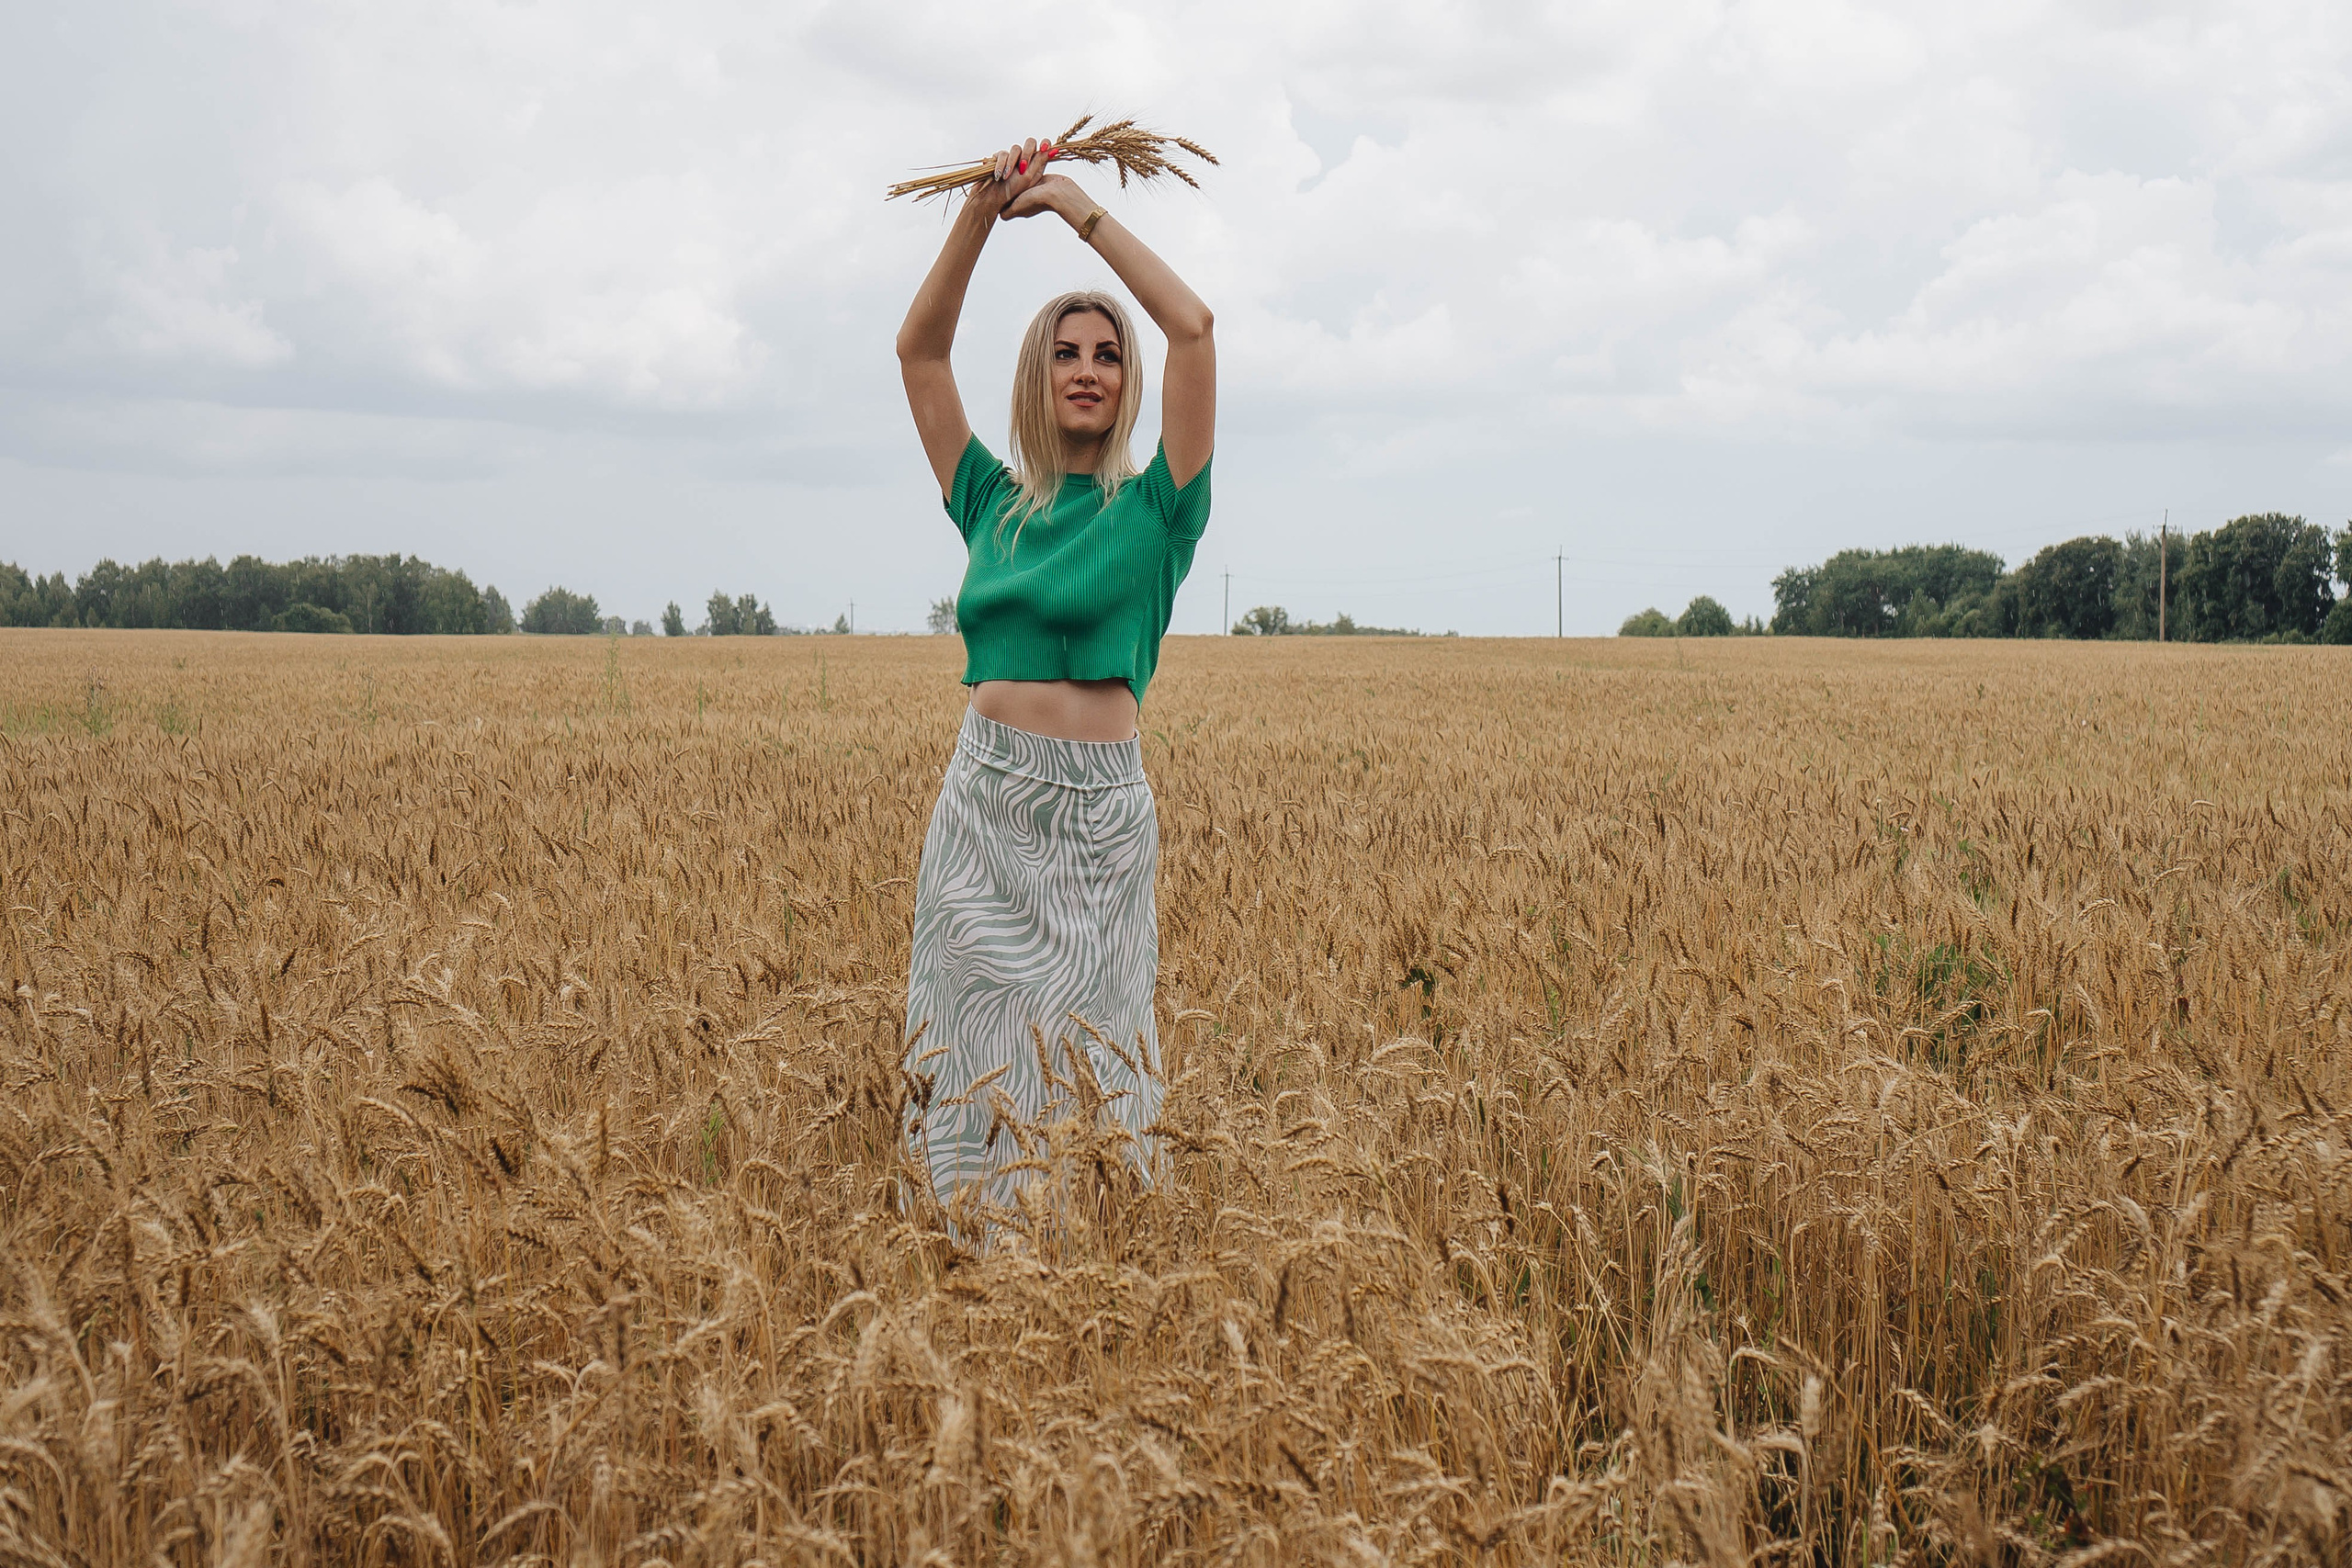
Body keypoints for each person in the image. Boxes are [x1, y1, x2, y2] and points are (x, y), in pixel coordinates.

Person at [895, 134, 1215, 1224]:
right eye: (1067, 351)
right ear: (1038, 374)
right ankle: (964, 1275)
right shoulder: (990, 499)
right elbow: (920, 355)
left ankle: (1096, 1293)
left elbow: (1195, 328)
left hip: (1099, 823)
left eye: (1108, 354)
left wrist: (1075, 208)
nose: (1089, 367)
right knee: (973, 1073)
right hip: (984, 809)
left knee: (1096, 1067)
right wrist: (981, 214)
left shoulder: (1160, 507)